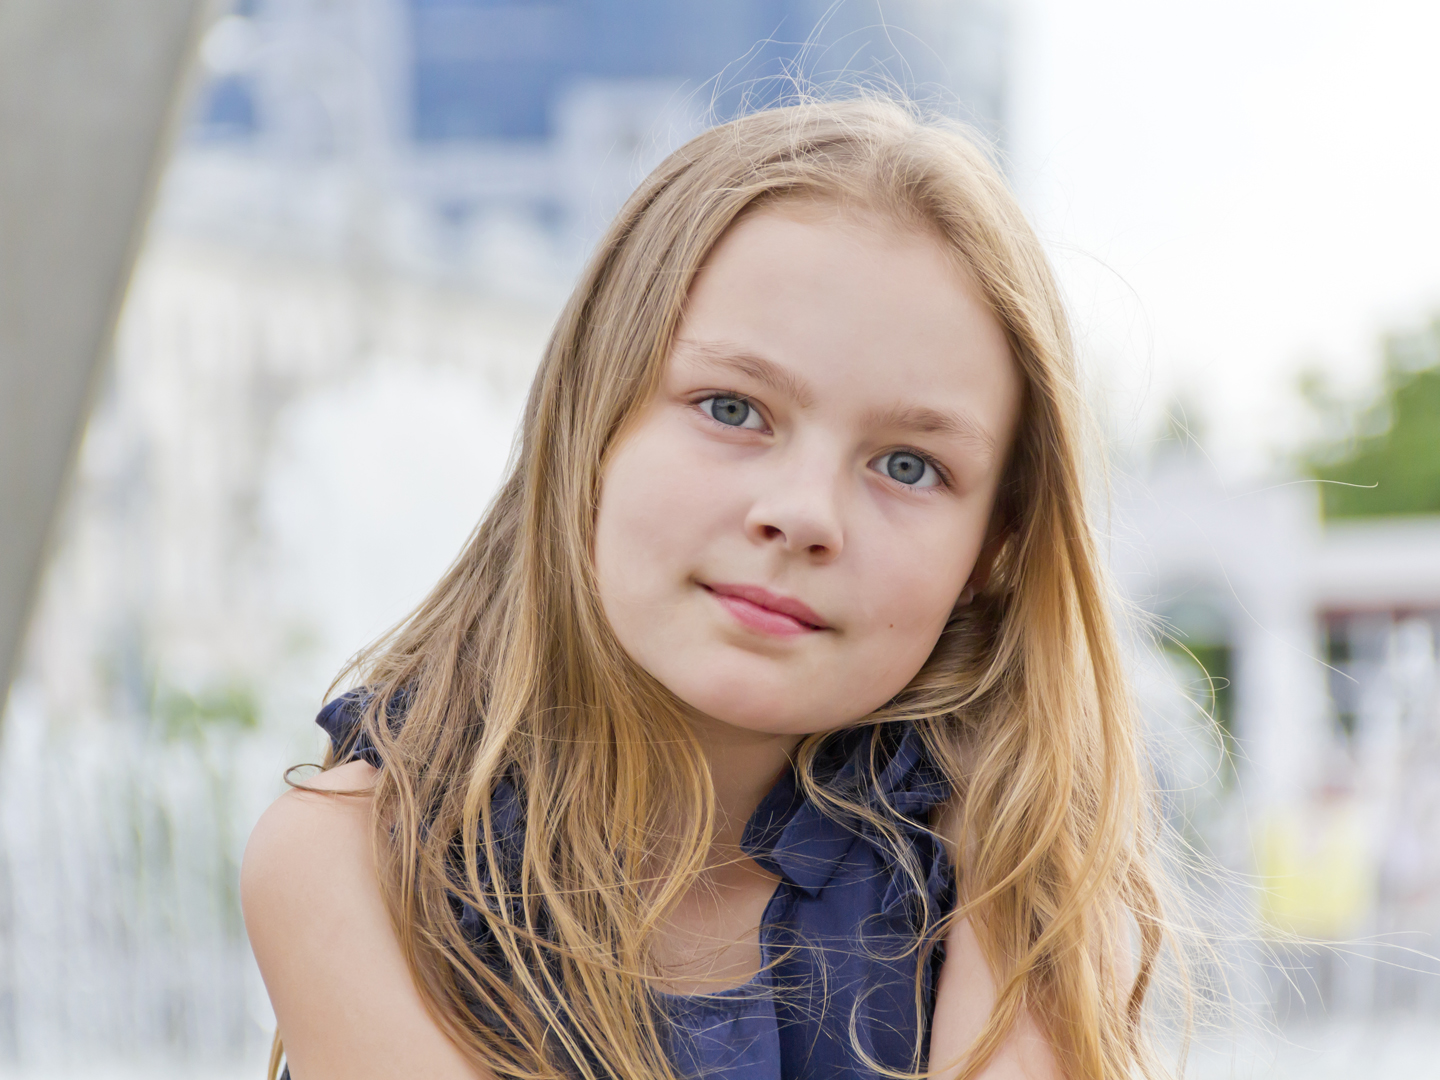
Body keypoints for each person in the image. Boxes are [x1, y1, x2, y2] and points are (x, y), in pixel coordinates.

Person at [242, 97, 1174, 1080]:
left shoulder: (1028, 864)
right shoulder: (352, 860)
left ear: (995, 550)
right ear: (589, 420)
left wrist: (1011, 860)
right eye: (733, 408)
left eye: (907, 466)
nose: (804, 513)